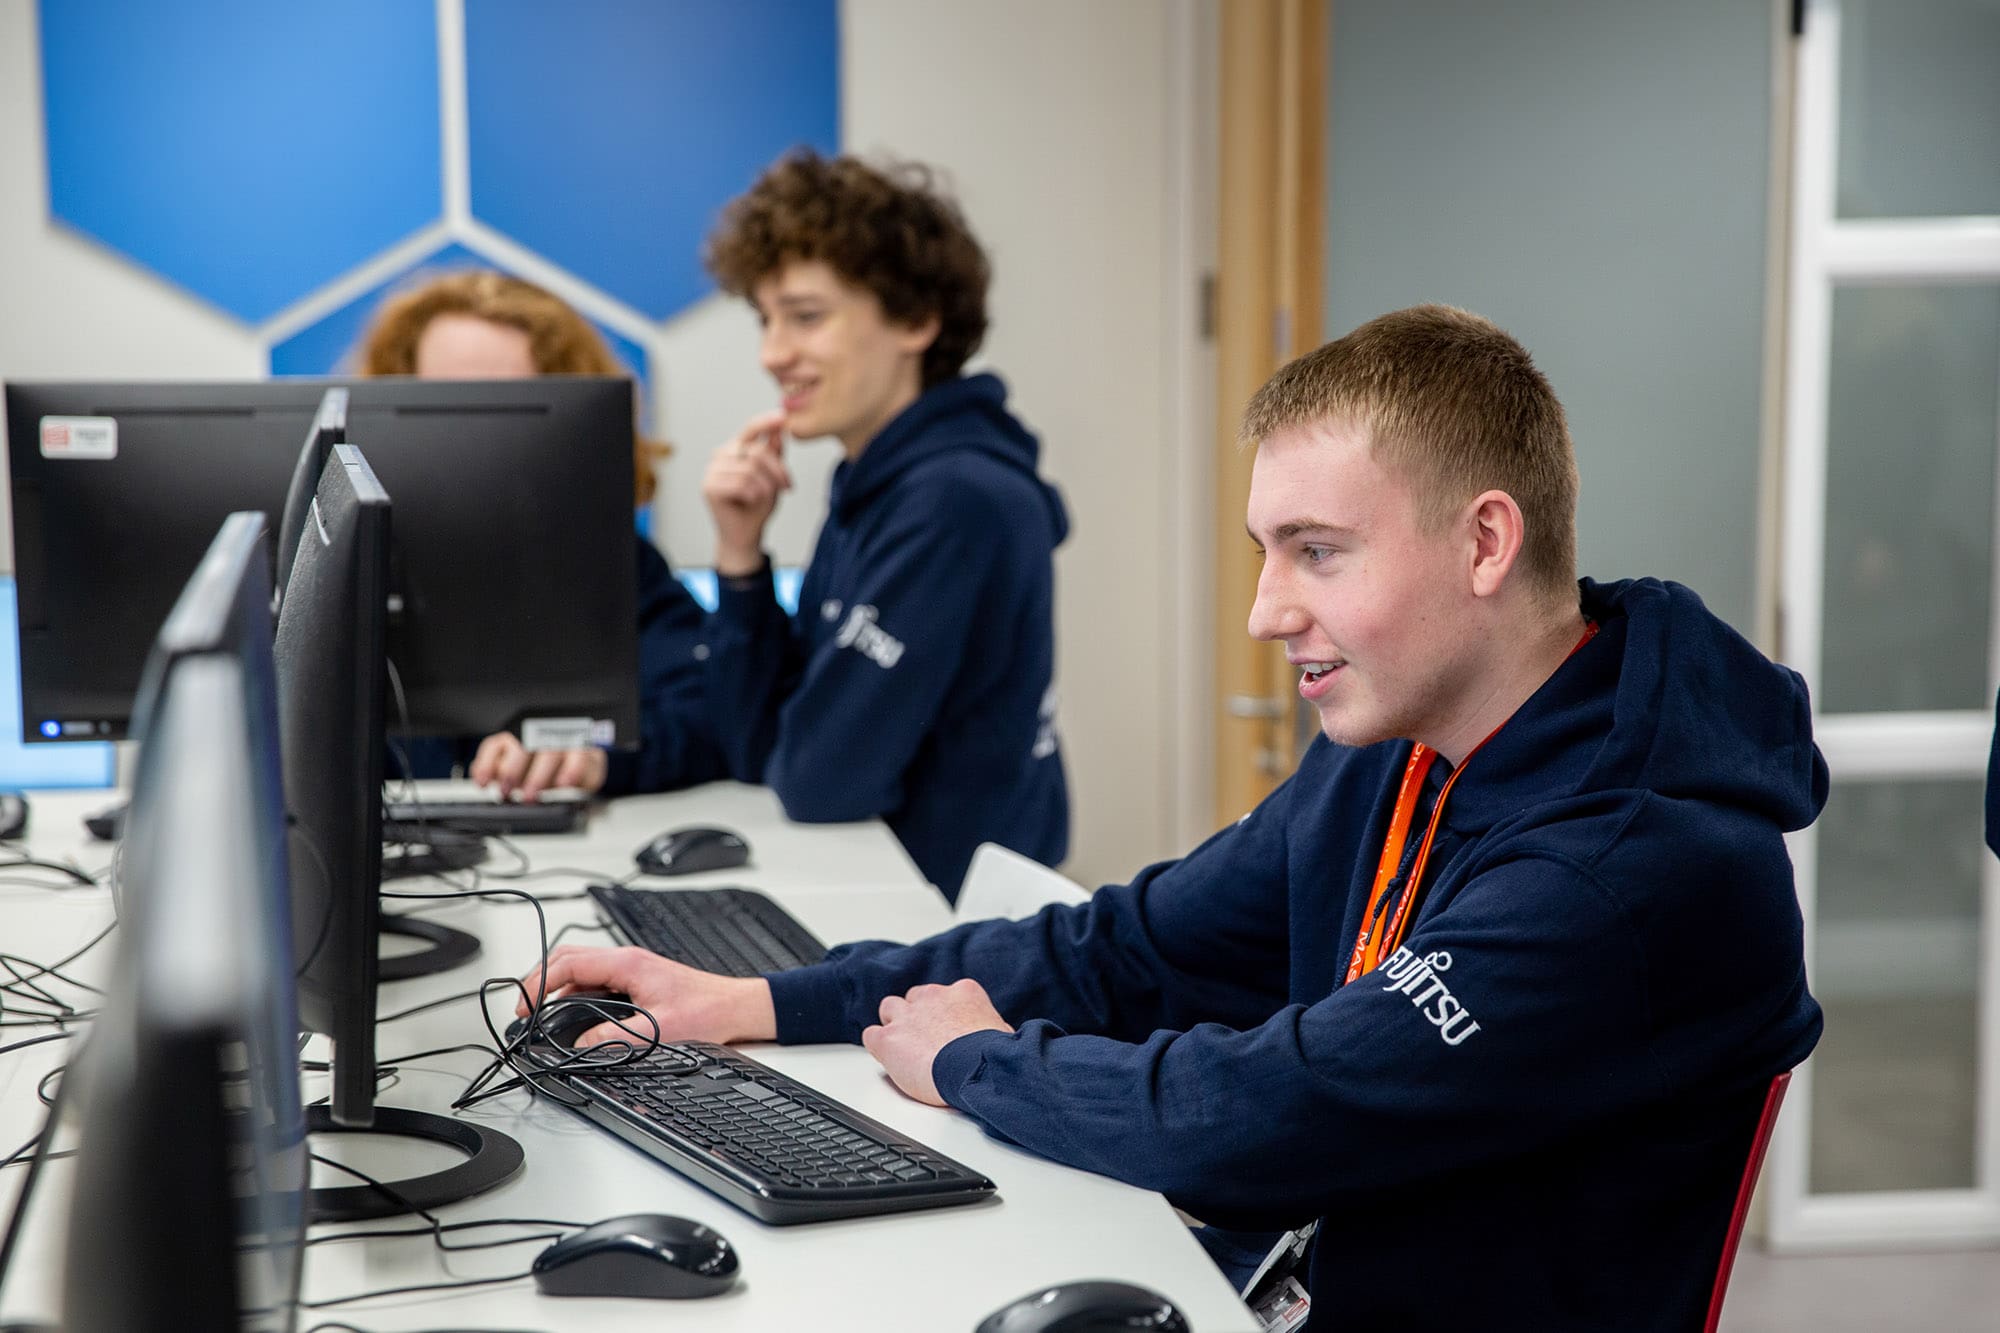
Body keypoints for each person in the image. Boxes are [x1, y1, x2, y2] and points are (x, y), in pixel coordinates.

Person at [518, 305, 1824, 1329]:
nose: (1266, 612)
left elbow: (1273, 1111)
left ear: (1486, 542)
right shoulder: (1405, 755)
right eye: (1267, 552)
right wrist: (750, 1003)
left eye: (1317, 551)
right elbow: (1124, 949)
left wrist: (978, 1062)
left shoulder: (1635, 871)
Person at [696, 150, 1069, 901]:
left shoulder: (952, 501)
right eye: (766, 320)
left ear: (917, 321)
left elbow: (818, 779)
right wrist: (740, 554)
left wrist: (790, 743)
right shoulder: (876, 483)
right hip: (891, 899)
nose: (773, 353)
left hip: (945, 934)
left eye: (806, 316)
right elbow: (752, 744)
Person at [356, 269, 727, 799]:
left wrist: (597, 757)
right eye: (444, 402)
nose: (472, 434)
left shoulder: (608, 563)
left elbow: (706, 713)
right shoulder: (345, 566)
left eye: (502, 405)